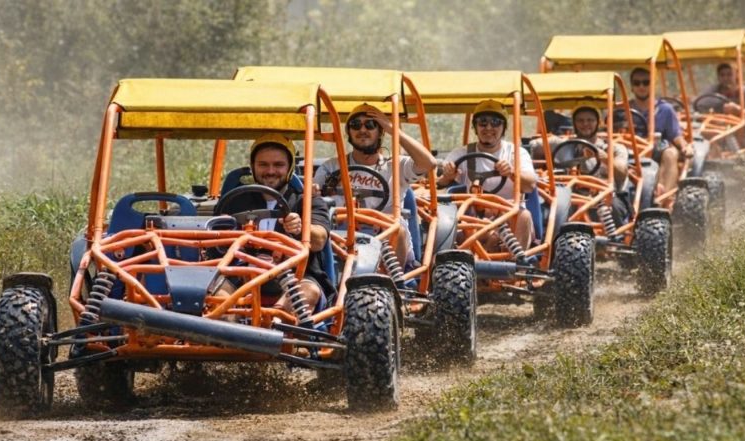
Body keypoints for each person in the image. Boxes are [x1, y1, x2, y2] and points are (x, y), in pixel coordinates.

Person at [216, 133, 333, 314]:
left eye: (278, 165)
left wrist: (302, 228)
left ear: (290, 168)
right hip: (239, 274)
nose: (270, 171)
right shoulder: (233, 202)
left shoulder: (308, 202)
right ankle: (229, 338)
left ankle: (285, 336)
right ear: (253, 167)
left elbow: (319, 240)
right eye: (263, 164)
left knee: (303, 295)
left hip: (298, 276)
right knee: (217, 298)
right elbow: (215, 243)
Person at [314, 103, 436, 267]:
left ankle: (392, 283)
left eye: (370, 125)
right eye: (355, 125)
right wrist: (314, 190)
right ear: (349, 133)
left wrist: (393, 129)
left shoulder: (396, 165)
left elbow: (429, 163)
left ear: (380, 132)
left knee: (396, 229)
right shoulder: (331, 166)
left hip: (386, 235)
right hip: (340, 233)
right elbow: (312, 191)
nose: (362, 130)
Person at [437, 99, 537, 258]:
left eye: (496, 122)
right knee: (443, 220)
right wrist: (447, 176)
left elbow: (530, 185)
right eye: (483, 123)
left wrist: (511, 173)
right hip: (472, 216)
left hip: (509, 215)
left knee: (524, 216)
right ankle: (452, 264)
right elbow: (440, 184)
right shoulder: (462, 153)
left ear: (504, 127)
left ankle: (517, 270)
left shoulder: (516, 153)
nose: (489, 128)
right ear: (475, 127)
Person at [628, 67, 693, 195]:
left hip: (656, 150)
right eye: (637, 83)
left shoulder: (665, 109)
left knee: (670, 153)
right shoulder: (623, 110)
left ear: (653, 85)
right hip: (629, 150)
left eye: (646, 82)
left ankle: (662, 200)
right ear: (632, 87)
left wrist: (685, 146)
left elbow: (675, 134)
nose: (641, 86)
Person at [550, 106, 629, 190]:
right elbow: (536, 145)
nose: (585, 124)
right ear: (574, 124)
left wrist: (606, 159)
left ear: (598, 123)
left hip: (604, 195)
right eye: (580, 120)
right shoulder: (563, 145)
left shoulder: (614, 148)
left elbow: (622, 174)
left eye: (590, 120)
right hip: (568, 193)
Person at [698, 62, 745, 150]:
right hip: (720, 125)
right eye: (722, 75)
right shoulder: (714, 90)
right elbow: (700, 103)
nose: (725, 78)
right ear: (718, 77)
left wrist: (738, 110)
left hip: (743, 127)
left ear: (736, 75)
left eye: (729, 74)